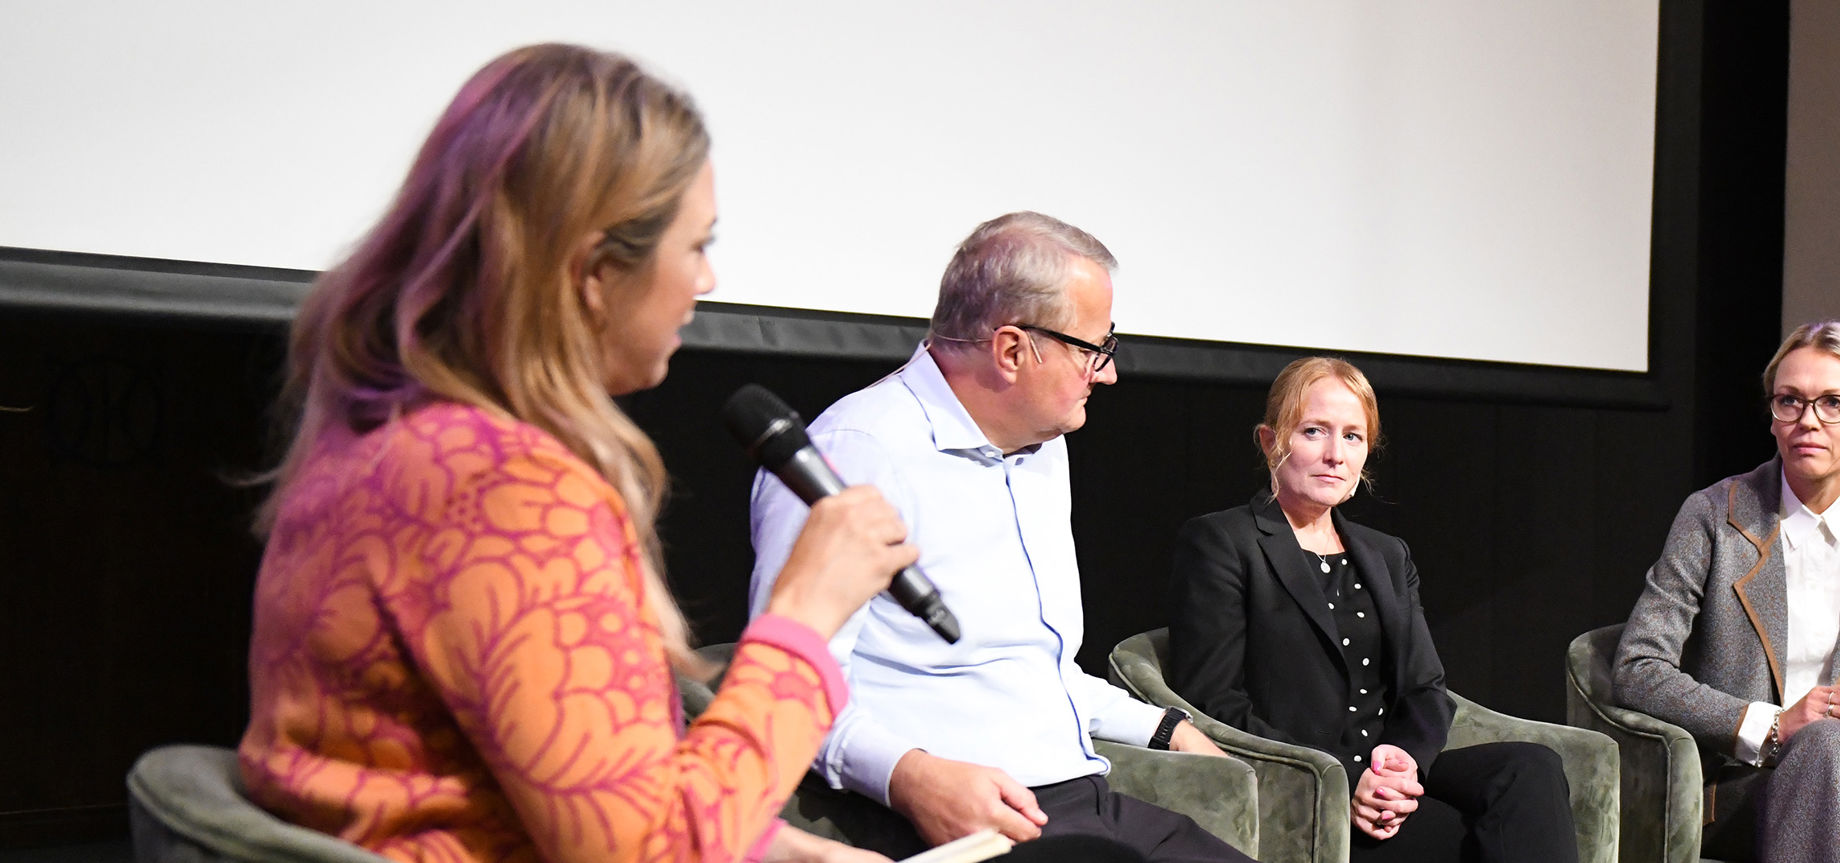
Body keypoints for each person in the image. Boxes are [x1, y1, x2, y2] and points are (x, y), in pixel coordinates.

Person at [237, 44, 916, 863]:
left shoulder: (389, 439)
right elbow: (644, 852)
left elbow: (566, 784)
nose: (705, 280)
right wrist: (805, 611)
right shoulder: (505, 490)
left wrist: (788, 850)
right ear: (595, 270)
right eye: (696, 246)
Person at [747, 212, 1249, 861]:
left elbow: (1031, 669)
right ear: (1012, 350)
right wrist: (909, 777)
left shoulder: (1041, 449)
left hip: (1082, 800)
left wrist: (1165, 726)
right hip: (966, 825)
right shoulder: (854, 452)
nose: (1107, 373)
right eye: (1093, 349)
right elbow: (787, 688)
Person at [1163, 357, 1581, 863]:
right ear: (1271, 441)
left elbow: (1426, 688)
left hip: (1384, 770)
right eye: (1314, 431)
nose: (1335, 455)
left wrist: (1404, 762)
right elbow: (1212, 701)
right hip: (1303, 779)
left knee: (1530, 768)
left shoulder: (1386, 553)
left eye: (1353, 437)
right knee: (1484, 839)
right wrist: (1342, 776)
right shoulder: (1222, 541)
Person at [1612, 321, 1840, 863]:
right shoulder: (1714, 515)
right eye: (1790, 401)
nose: (1808, 420)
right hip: (1743, 786)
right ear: (1773, 415)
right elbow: (1638, 667)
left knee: (1832, 744)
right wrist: (1772, 724)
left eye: (1833, 403)